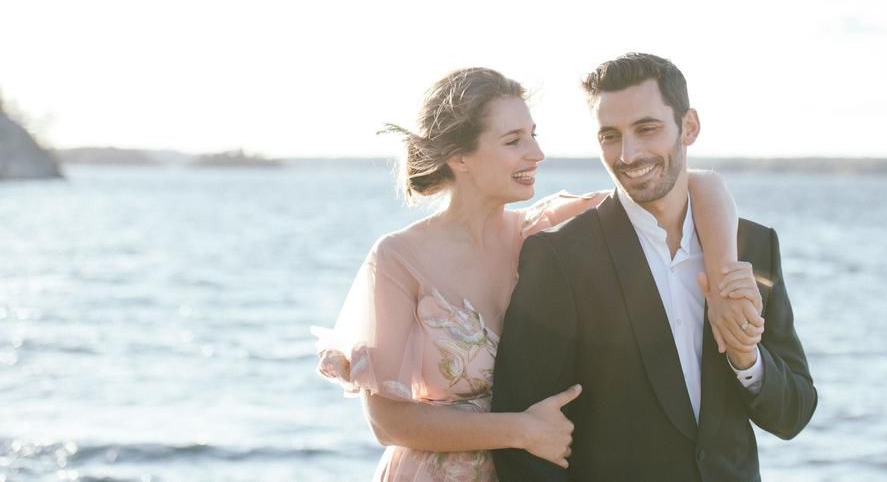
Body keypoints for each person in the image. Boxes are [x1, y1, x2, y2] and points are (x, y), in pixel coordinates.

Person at [313, 67, 758, 481]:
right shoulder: (398, 257)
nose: (537, 153)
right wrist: (519, 430)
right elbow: (386, 421)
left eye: (534, 135)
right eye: (513, 141)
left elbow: (698, 183)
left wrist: (723, 285)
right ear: (459, 157)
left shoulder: (541, 231)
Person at [491, 53, 817, 481]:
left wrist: (746, 357)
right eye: (610, 136)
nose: (628, 154)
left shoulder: (752, 247)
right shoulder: (559, 259)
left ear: (690, 127)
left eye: (647, 129)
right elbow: (522, 441)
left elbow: (793, 413)